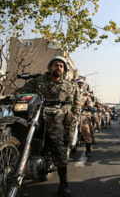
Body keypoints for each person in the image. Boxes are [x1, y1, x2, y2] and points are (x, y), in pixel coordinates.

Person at [19, 56, 75, 197]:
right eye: (56, 65)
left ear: (64, 70)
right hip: (35, 113)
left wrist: (62, 110)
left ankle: (64, 183)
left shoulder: (68, 86)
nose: (58, 68)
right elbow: (22, 92)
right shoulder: (38, 80)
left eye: (61, 66)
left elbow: (70, 102)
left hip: (54, 116)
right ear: (50, 67)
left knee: (57, 143)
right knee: (17, 131)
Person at [76, 78, 95, 157]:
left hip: (83, 114)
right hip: (72, 113)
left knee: (86, 129)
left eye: (81, 83)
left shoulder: (86, 94)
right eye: (79, 83)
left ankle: (88, 149)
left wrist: (91, 107)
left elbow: (90, 102)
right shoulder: (71, 91)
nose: (80, 85)